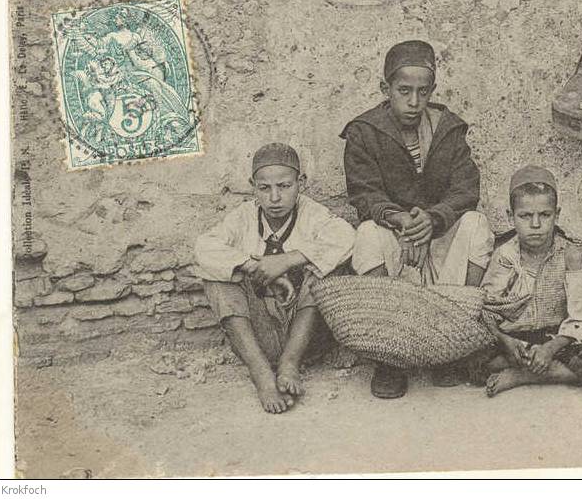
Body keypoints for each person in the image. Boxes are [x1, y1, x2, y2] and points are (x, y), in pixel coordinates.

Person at [341, 39, 495, 398]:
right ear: (385, 88)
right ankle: (390, 355)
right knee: (365, 235)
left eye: (422, 92)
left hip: (436, 237)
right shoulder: (364, 132)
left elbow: (466, 188)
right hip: (397, 238)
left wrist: (434, 218)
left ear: (432, 91)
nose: (413, 102)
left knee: (476, 225)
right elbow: (364, 194)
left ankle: (452, 342)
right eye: (403, 91)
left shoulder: (448, 129)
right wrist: (398, 219)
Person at [194, 143, 356, 413]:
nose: (275, 198)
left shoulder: (313, 214)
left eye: (284, 186)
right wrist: (253, 265)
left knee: (326, 273)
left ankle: (290, 364)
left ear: (300, 183)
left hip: (306, 337)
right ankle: (261, 373)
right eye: (264, 188)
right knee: (216, 277)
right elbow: (204, 247)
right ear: (252, 186)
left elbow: (347, 237)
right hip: (259, 334)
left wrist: (287, 260)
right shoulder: (244, 217)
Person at [480, 165, 582, 397]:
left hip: (556, 338)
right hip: (514, 340)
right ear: (511, 216)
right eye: (525, 216)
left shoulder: (570, 255)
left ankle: (525, 374)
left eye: (545, 215)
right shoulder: (505, 255)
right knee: (470, 357)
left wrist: (550, 348)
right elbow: (487, 309)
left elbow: (580, 317)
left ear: (556, 215)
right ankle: (540, 367)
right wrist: (506, 341)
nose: (535, 225)